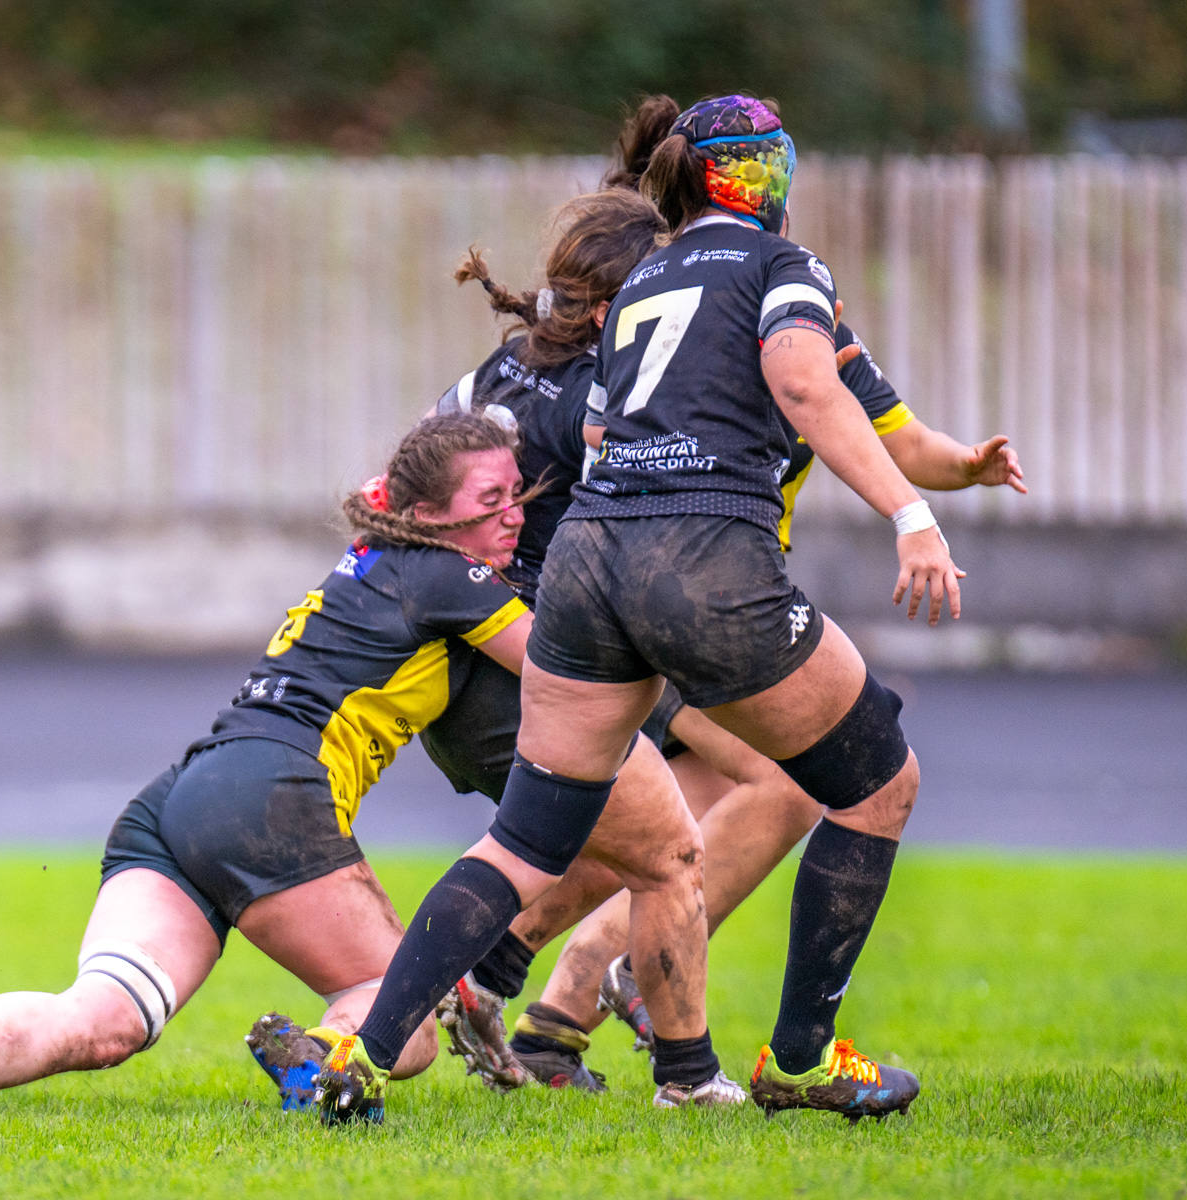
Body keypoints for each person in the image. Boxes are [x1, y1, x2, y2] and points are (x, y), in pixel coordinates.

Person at [316, 94, 967, 1126]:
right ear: (751, 183)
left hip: (577, 581)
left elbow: (471, 462)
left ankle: (364, 1050)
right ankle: (792, 1060)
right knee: (866, 782)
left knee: (545, 840)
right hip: (687, 569)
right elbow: (803, 388)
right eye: (757, 171)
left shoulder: (627, 303)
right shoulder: (775, 273)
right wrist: (913, 515)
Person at [0, 412, 536, 1118]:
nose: (514, 517)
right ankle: (316, 1058)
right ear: (425, 513)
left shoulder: (375, 561)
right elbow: (561, 673)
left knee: (104, 1016)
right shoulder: (449, 576)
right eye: (491, 501)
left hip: (186, 796)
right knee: (402, 1023)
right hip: (272, 799)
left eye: (518, 496)